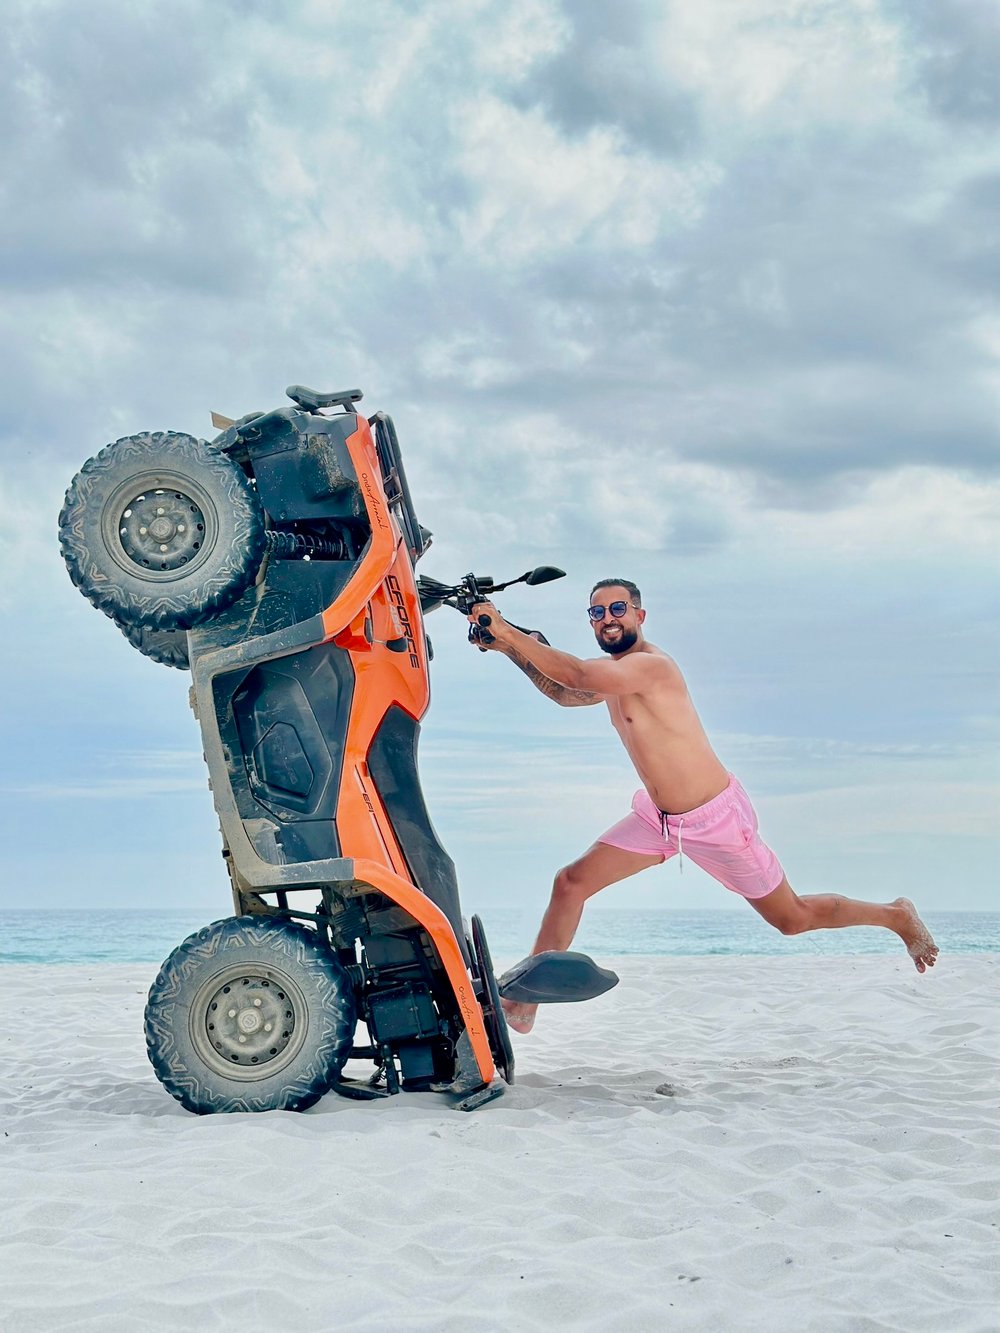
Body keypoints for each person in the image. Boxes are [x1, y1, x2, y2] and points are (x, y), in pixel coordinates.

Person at [468, 578, 939, 1034]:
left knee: (791, 919)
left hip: (714, 819)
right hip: (658, 820)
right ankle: (522, 1005)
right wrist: (508, 647)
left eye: (617, 609)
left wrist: (508, 630)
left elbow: (578, 673)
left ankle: (894, 915)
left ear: (639, 614)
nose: (608, 619)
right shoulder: (616, 676)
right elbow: (565, 692)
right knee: (570, 883)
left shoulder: (652, 667)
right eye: (597, 612)